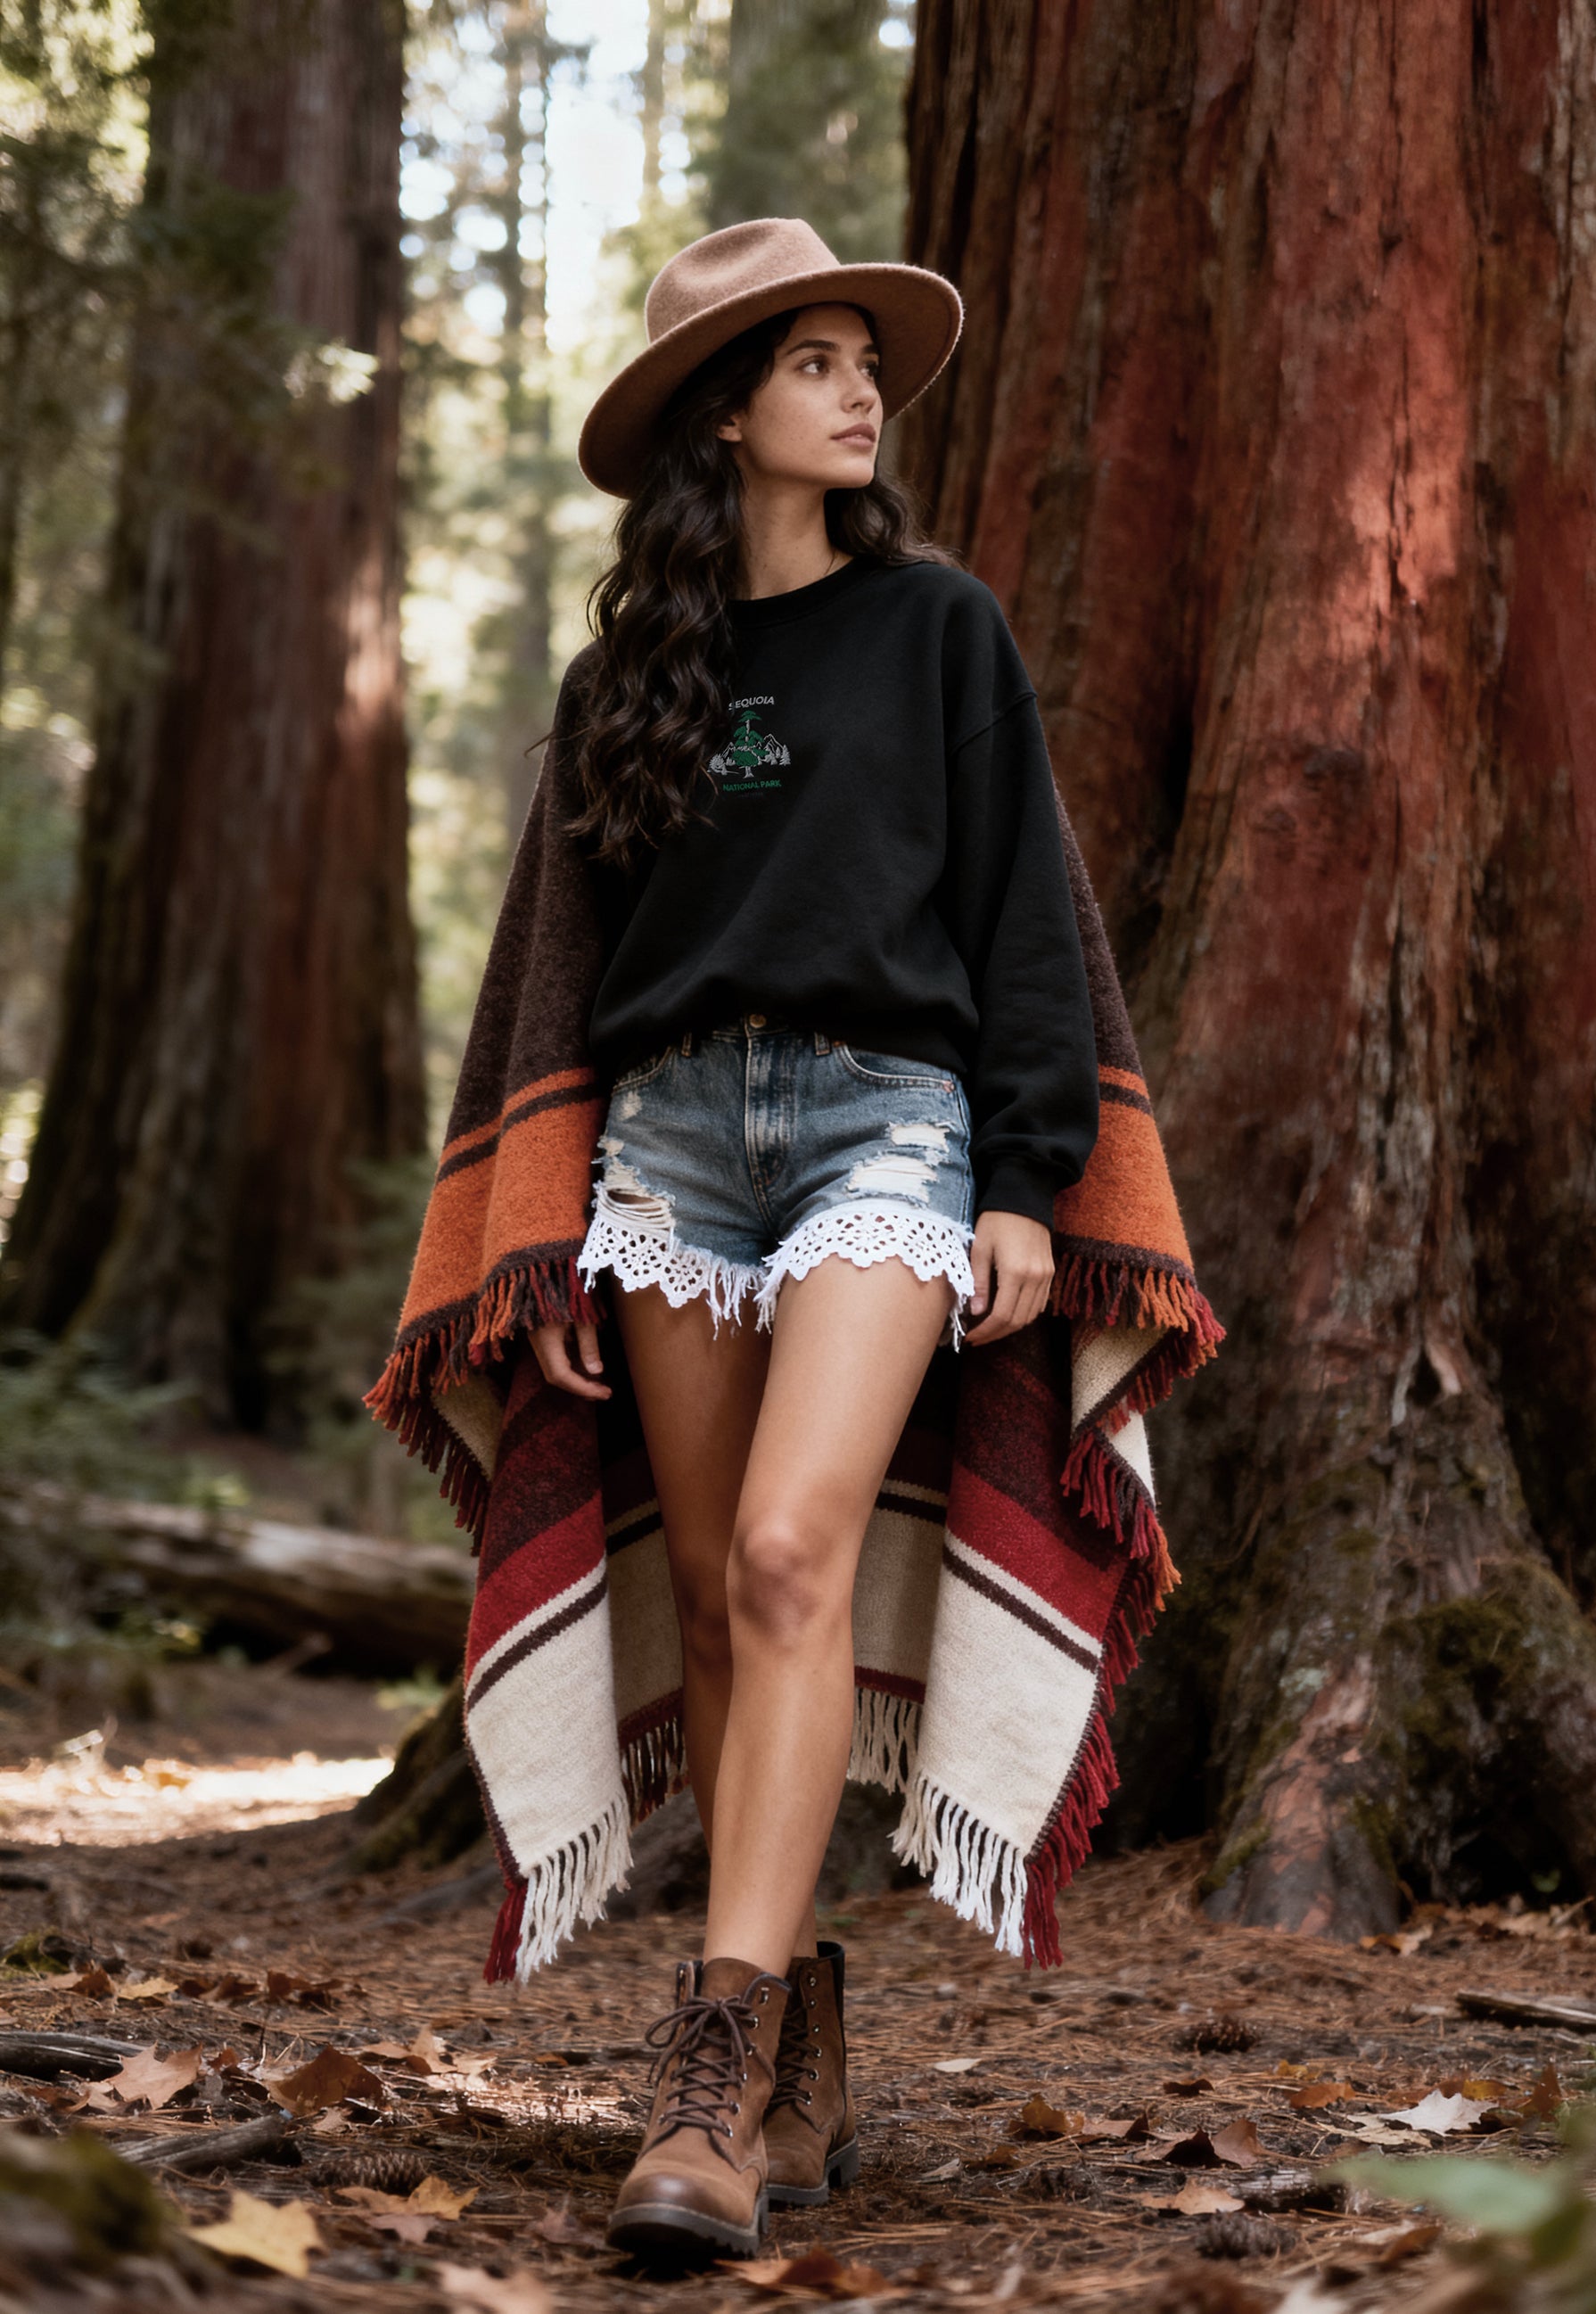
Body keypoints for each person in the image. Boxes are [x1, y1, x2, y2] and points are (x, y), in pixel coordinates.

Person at [547, 218, 1098, 2260]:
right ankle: (797, 2027)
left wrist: (1028, 1176)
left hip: (887, 1120)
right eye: (814, 363)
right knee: (711, 1601)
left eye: (865, 360)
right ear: (724, 415)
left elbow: (1025, 912)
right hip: (669, 1145)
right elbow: (562, 980)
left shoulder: (940, 628)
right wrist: (537, 1234)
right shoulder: (624, 681)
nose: (862, 393)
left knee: (792, 1555)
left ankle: (702, 2075)